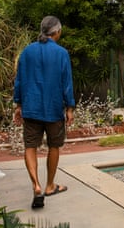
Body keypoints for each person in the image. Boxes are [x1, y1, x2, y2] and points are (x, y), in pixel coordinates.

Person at [13, 15, 76, 209]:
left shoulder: (27, 52)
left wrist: (18, 104)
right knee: (54, 146)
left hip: (31, 108)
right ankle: (49, 185)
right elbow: (67, 82)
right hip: (53, 108)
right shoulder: (61, 53)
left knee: (30, 146)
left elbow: (20, 80)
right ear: (56, 31)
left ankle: (36, 185)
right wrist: (70, 107)